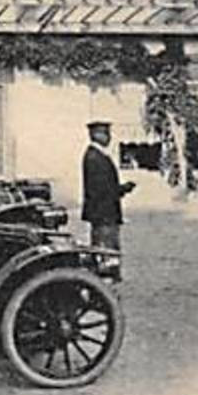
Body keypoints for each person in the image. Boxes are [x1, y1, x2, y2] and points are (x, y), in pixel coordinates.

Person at [81, 120, 135, 281]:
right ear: (96, 135)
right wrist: (122, 189)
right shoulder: (94, 157)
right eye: (106, 134)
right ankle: (106, 275)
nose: (109, 137)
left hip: (103, 210)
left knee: (105, 243)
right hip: (103, 211)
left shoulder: (97, 155)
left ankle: (107, 273)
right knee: (106, 245)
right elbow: (101, 189)